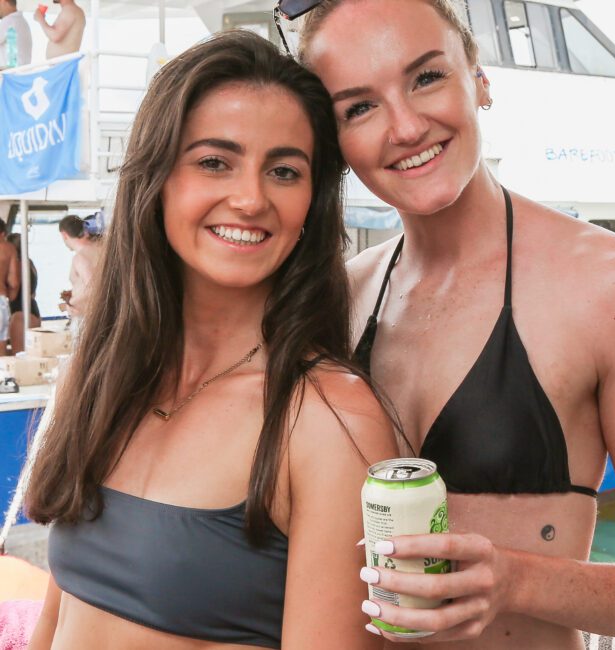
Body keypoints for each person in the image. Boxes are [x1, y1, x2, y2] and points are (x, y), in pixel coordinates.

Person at [25, 30, 399, 650]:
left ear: (312, 201)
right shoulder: (102, 376)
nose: (251, 198)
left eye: (283, 171)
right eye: (214, 162)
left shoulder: (328, 419)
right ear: (158, 179)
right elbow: (56, 622)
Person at [293, 0, 615, 648]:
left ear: (479, 81)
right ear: (334, 141)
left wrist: (513, 580)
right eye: (359, 107)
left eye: (426, 77)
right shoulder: (339, 299)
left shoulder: (609, 287)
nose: (404, 126)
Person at [57, 214, 101, 320]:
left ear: (64, 234)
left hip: (88, 317)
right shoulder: (101, 248)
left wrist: (70, 304)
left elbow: (94, 288)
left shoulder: (80, 257)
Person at [7, 234, 41, 355]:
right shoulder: (30, 263)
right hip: (32, 312)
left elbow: (12, 294)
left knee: (19, 357)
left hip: (20, 315)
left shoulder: (17, 266)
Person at [0, 218, 19, 356]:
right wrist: (10, 297)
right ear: (2, 233)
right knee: (1, 346)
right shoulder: (7, 248)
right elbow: (14, 282)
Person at [0, 0, 32, 68]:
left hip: (11, 74)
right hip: (20, 73)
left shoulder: (9, 21)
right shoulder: (22, 21)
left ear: (2, 1)